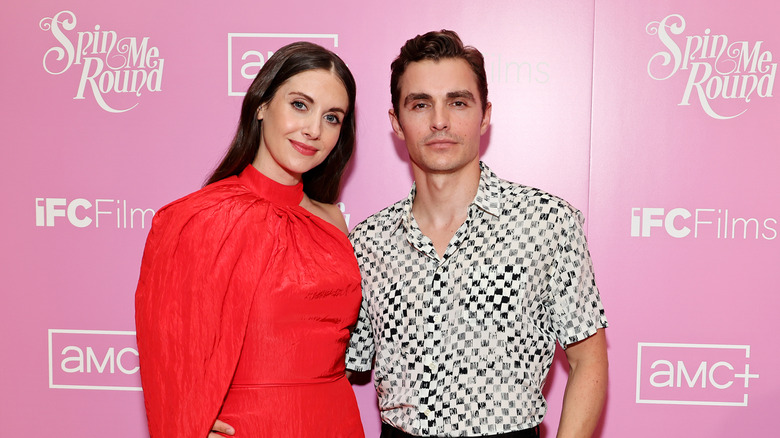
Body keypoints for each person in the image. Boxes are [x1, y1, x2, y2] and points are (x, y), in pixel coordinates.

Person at [343, 30, 608, 438]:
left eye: (458, 102)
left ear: (484, 114)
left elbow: (589, 359)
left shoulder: (547, 223)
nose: (439, 121)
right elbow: (335, 364)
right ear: (396, 122)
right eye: (420, 104)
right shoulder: (367, 241)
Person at [135, 41, 364, 438]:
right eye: (299, 105)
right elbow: (169, 352)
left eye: (332, 117)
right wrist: (189, 426)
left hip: (336, 420)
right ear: (261, 105)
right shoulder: (198, 217)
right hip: (254, 425)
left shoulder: (333, 222)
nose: (314, 130)